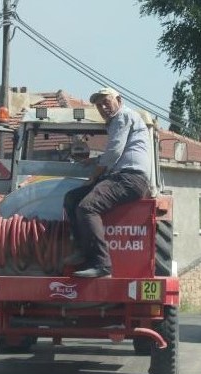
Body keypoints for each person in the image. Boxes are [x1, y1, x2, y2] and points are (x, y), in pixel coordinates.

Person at [63, 87, 152, 278]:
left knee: (87, 207)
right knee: (71, 198)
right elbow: (117, 153)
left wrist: (94, 176)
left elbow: (113, 153)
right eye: (99, 105)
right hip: (123, 176)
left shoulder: (123, 117)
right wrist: (94, 161)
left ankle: (102, 265)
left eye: (106, 102)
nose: (103, 107)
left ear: (118, 100)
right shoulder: (117, 122)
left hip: (129, 178)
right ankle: (81, 250)